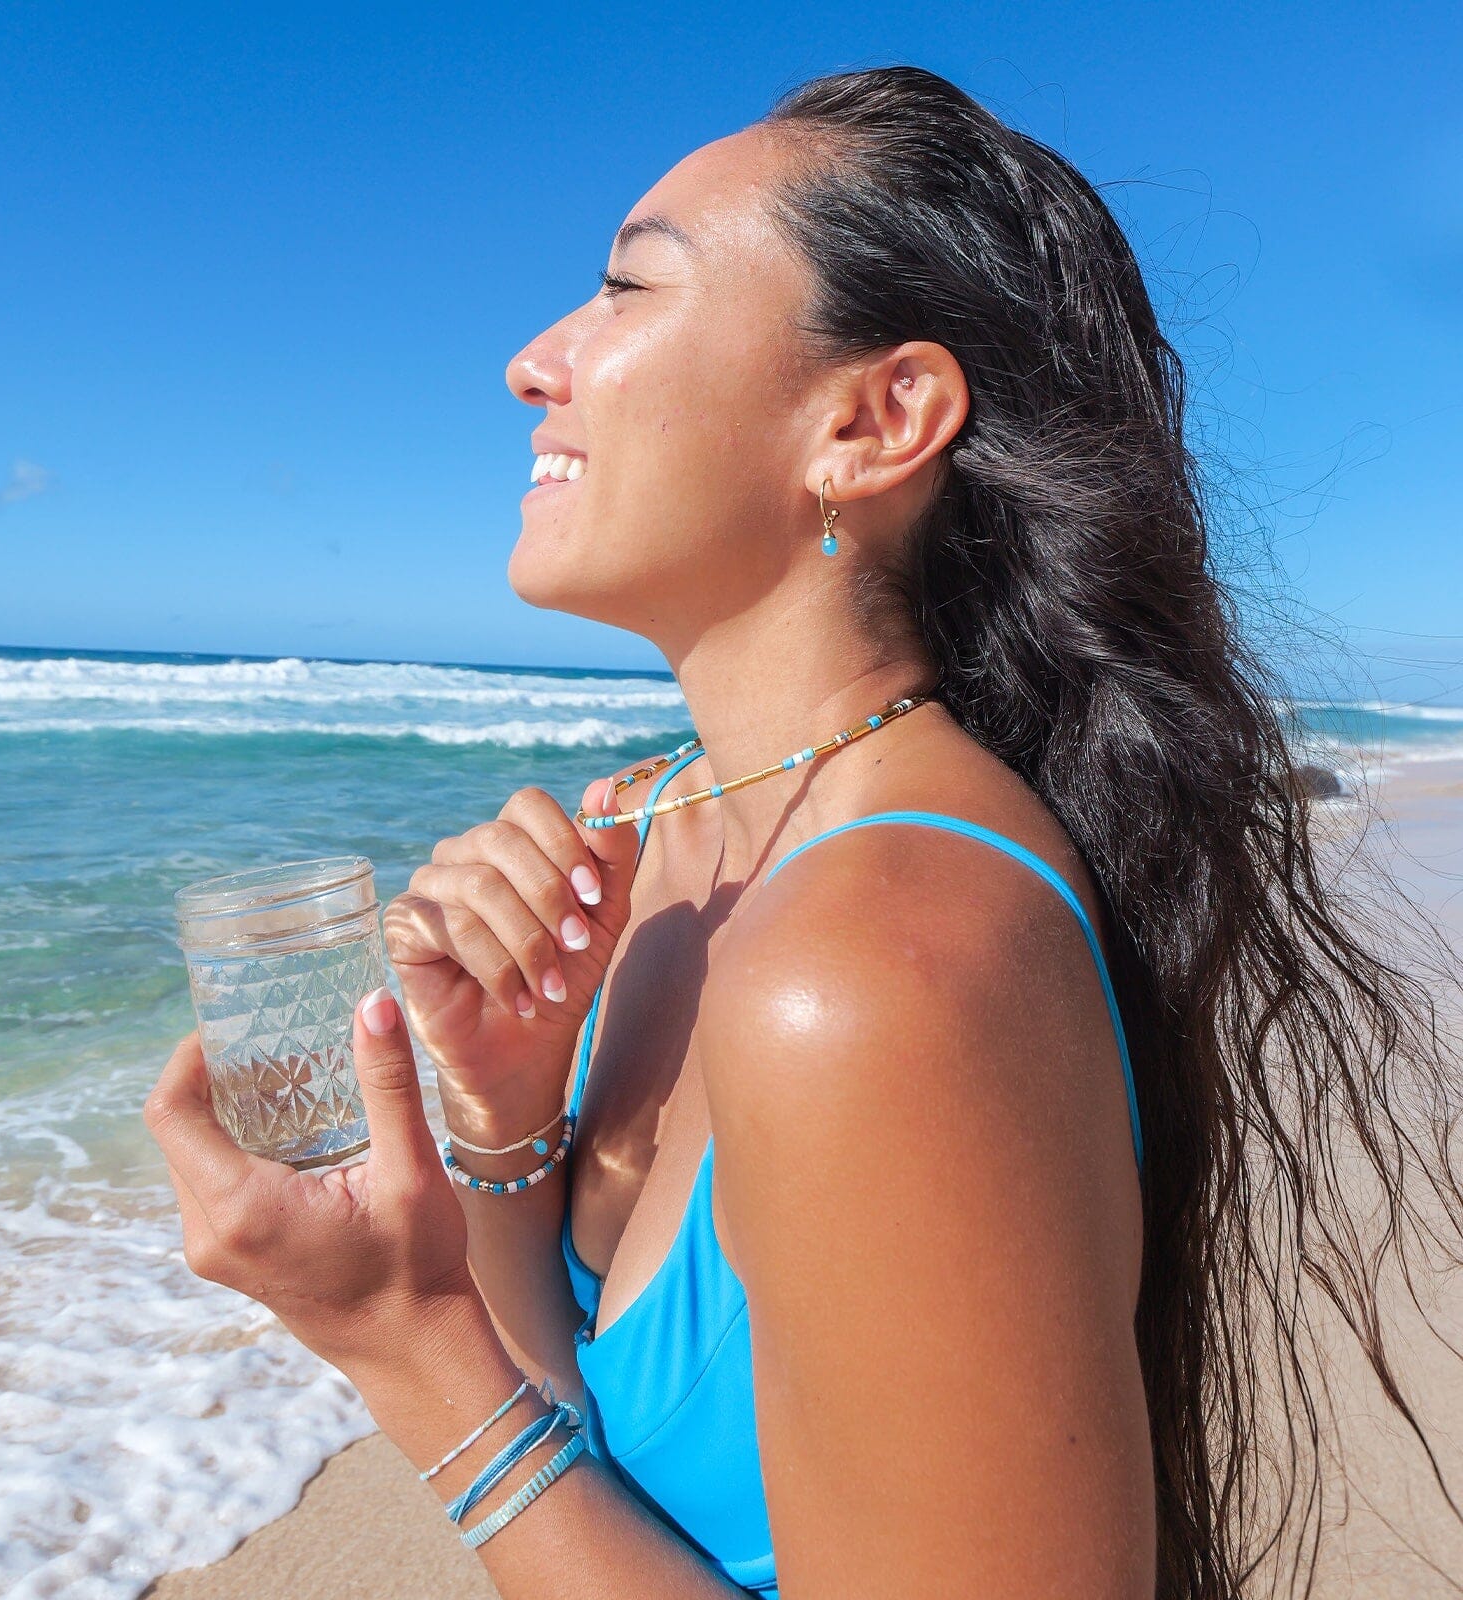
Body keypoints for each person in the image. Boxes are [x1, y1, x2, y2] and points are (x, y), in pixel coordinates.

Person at [145, 65, 1463, 1597]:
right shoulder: (660, 833)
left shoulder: (877, 962)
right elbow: (586, 1445)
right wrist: (508, 1133)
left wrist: (396, 1344)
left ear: (873, 417)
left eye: (627, 287)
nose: (530, 363)